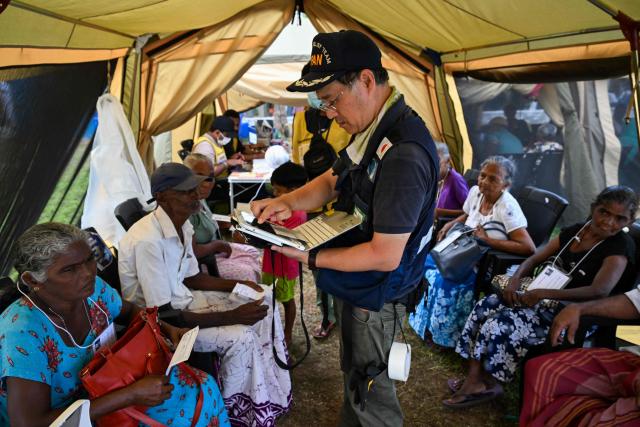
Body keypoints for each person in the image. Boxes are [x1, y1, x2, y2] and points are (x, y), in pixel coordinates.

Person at [251, 30, 439, 426]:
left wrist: (311, 255)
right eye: (323, 105)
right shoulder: (373, 129)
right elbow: (331, 182)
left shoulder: (403, 154)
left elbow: (385, 254)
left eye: (333, 100)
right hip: (358, 282)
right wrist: (285, 201)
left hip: (376, 293)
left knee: (371, 393)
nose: (330, 113)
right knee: (356, 375)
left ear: (367, 81)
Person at [0, 222, 229, 427]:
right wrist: (129, 395)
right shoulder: (23, 334)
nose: (88, 273)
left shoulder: (93, 291)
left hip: (111, 387)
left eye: (89, 260)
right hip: (72, 416)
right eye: (69, 270)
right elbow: (28, 423)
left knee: (204, 387)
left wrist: (164, 328)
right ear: (32, 280)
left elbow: (130, 311)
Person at [118, 162, 292, 427]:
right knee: (241, 336)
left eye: (194, 188)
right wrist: (233, 315)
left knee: (264, 295)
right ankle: (234, 414)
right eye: (186, 191)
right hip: (160, 326)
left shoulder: (183, 225)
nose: (196, 195)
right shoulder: (147, 241)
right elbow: (164, 314)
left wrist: (238, 287)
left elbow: (191, 277)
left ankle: (268, 390)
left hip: (184, 300)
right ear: (163, 196)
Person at [445, 186, 638, 409]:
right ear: (594, 208)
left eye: (619, 218)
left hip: (572, 312)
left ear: (629, 221)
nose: (609, 222)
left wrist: (543, 293)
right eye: (604, 212)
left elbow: (600, 291)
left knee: (499, 324)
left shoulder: (620, 247)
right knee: (484, 305)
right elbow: (535, 257)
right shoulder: (575, 231)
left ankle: (492, 382)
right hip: (541, 299)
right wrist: (517, 276)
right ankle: (474, 377)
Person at [409, 156, 535, 348]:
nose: (484, 181)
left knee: (445, 280)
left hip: (478, 261)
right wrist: (451, 224)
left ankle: (443, 336)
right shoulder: (476, 192)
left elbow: (528, 247)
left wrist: (488, 240)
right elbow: (468, 214)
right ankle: (424, 325)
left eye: (493, 179)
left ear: (506, 185)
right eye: (483, 176)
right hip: (459, 251)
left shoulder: (507, 206)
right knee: (426, 263)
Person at [519, 285, 640, 426]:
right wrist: (578, 308)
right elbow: (636, 300)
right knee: (543, 370)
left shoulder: (616, 261)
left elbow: (600, 289)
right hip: (634, 362)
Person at [184, 153, 261, 283]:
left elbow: (207, 221)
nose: (206, 183)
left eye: (210, 178)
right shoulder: (185, 208)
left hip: (214, 252)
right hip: (199, 264)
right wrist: (217, 245)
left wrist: (230, 222)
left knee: (252, 252)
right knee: (246, 273)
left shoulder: (200, 199)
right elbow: (192, 253)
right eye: (199, 176)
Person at [261, 162, 308, 347]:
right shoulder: (283, 207)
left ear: (294, 190)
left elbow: (278, 237)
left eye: (278, 190)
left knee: (287, 301)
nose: (274, 195)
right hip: (270, 263)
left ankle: (287, 334)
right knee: (268, 298)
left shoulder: (297, 213)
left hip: (285, 267)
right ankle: (271, 329)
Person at [433, 141, 469, 219]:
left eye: (438, 163)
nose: (433, 168)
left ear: (448, 160)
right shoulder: (438, 178)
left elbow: (468, 212)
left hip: (446, 226)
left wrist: (438, 212)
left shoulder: (456, 179)